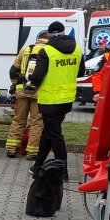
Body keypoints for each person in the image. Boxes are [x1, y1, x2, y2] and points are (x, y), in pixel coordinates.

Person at [24, 19, 85, 181]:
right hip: (66, 100)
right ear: (64, 32)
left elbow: (37, 76)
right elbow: (81, 72)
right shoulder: (77, 49)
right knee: (48, 132)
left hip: (50, 100)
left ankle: (62, 171)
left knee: (55, 135)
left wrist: (30, 81)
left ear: (49, 35)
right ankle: (37, 166)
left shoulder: (47, 51)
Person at [5, 30, 49, 159]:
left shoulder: (25, 50)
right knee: (37, 122)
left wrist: (15, 85)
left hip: (22, 91)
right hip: (39, 92)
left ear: (38, 39)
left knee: (18, 120)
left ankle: (11, 149)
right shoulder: (50, 52)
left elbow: (13, 71)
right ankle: (32, 152)